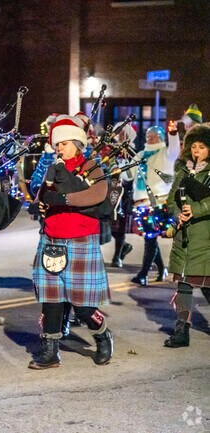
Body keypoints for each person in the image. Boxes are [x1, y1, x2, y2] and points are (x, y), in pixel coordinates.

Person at [29, 114, 113, 369]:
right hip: (52, 240)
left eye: (63, 144)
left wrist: (65, 200)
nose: (59, 148)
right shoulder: (53, 168)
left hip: (80, 240)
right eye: (57, 145)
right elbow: (41, 194)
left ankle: (102, 334)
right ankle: (50, 351)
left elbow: (99, 193)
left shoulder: (90, 166)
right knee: (52, 300)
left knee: (84, 306)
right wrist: (41, 204)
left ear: (76, 143)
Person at [163, 124, 210, 348]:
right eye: (193, 146)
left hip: (205, 238)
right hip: (184, 238)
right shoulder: (182, 172)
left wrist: (197, 209)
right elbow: (171, 201)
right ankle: (182, 331)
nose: (196, 151)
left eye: (201, 146)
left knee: (208, 285)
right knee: (183, 285)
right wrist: (177, 214)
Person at [126, 125, 180, 286]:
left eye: (153, 136)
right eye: (148, 136)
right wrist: (120, 165)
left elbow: (175, 149)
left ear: (161, 138)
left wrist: (173, 133)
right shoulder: (140, 155)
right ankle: (162, 269)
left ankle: (143, 274)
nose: (149, 139)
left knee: (150, 238)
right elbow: (128, 175)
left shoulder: (165, 153)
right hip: (141, 204)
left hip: (157, 203)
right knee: (150, 238)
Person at [109, 122, 136, 268]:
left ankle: (117, 256)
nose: (120, 136)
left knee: (120, 226)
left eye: (124, 133)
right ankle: (124, 246)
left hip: (125, 193)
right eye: (119, 133)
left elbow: (133, 173)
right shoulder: (112, 150)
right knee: (108, 224)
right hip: (112, 190)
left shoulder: (132, 151)